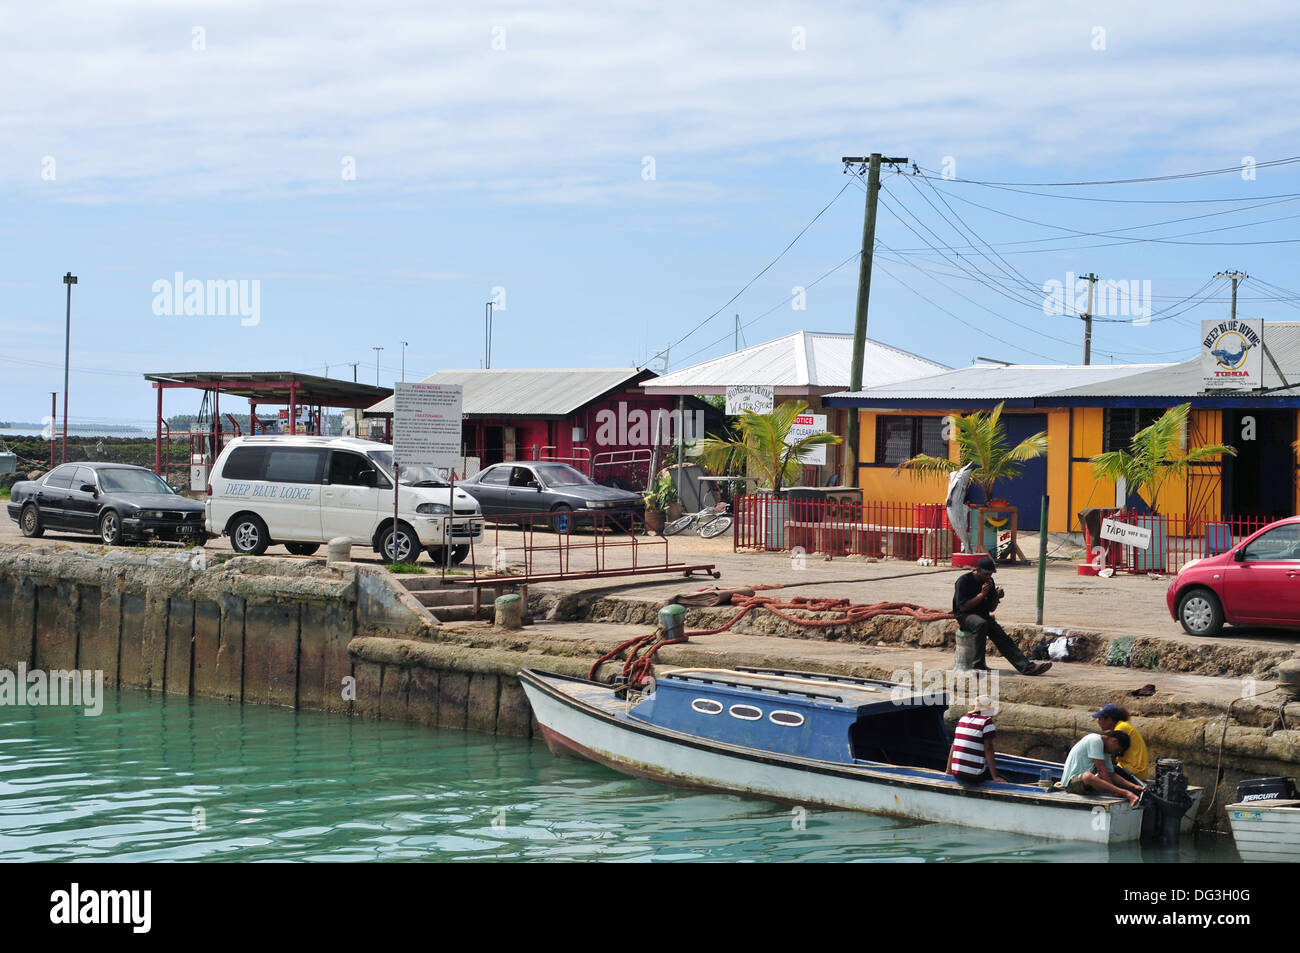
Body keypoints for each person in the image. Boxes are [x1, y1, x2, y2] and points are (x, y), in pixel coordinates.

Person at [952, 556, 1051, 676]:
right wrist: (982, 595)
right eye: (986, 573)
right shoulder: (964, 581)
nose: (988, 576)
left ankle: (1027, 667)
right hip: (965, 616)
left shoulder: (989, 582)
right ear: (977, 570)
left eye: (990, 574)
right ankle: (977, 666)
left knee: (1001, 636)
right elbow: (963, 607)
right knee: (981, 624)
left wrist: (996, 597)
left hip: (982, 615)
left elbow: (991, 608)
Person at [1060, 730, 1145, 807]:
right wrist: (1118, 791)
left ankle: (1126, 792)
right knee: (1088, 776)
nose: (1114, 754)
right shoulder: (1095, 740)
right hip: (1071, 784)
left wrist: (1133, 786)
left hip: (1085, 786)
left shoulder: (1105, 750)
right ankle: (1126, 793)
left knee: (1110, 775)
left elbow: (1111, 774)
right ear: (1114, 741)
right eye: (1116, 750)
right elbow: (1101, 770)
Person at [947, 696, 1005, 784]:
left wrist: (948, 770)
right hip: (973, 776)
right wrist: (995, 777)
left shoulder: (963, 719)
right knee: (1003, 777)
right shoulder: (986, 722)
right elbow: (988, 749)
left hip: (956, 773)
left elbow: (954, 745)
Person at [1092, 703, 1149, 779]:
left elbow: (1110, 754)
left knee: (1100, 770)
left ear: (1109, 719)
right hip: (1132, 768)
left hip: (1134, 770)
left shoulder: (1121, 728)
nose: (1098, 722)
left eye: (1100, 719)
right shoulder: (1121, 726)